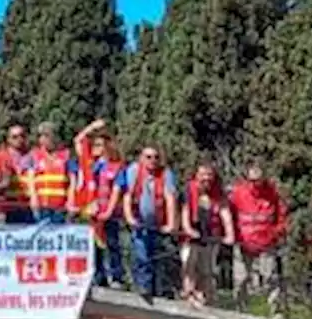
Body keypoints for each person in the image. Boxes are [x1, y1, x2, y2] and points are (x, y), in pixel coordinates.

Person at [229, 161, 290, 316]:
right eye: (252, 180)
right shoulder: (238, 193)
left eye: (259, 180)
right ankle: (240, 309)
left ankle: (276, 311)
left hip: (266, 243)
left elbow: (281, 216)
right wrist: (233, 235)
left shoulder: (272, 193)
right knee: (240, 279)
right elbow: (229, 214)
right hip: (243, 242)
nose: (255, 184)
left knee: (270, 277)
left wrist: (275, 233)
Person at [120, 147, 178, 300]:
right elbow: (128, 195)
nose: (152, 160)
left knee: (160, 257)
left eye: (156, 157)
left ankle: (161, 290)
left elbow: (170, 198)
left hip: (159, 223)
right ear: (141, 158)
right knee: (141, 255)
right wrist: (130, 218)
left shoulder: (166, 174)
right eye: (148, 157)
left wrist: (171, 224)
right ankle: (143, 287)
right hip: (140, 222)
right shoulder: (134, 170)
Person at [75, 121, 127, 288]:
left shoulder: (116, 166)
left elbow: (116, 191)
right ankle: (99, 276)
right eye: (94, 144)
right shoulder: (90, 164)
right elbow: (78, 140)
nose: (95, 147)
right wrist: (92, 127)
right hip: (92, 212)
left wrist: (109, 211)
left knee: (112, 244)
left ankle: (116, 277)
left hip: (109, 213)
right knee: (94, 246)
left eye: (99, 144)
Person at [180, 164, 235, 307]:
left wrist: (229, 234)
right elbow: (185, 211)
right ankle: (189, 295)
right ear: (196, 175)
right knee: (189, 266)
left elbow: (225, 213)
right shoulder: (189, 190)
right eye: (203, 174)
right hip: (191, 238)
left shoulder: (218, 193)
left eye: (209, 174)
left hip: (210, 238)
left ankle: (207, 298)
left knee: (207, 270)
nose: (206, 178)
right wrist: (188, 229)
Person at [26, 122, 77, 224]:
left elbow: (73, 180)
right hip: (42, 205)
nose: (44, 139)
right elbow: (31, 179)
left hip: (60, 206)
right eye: (41, 136)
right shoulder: (34, 155)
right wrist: (33, 198)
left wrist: (71, 200)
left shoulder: (66, 155)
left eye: (47, 135)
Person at [0, 123, 35, 224]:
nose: (19, 139)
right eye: (14, 137)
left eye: (22, 136)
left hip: (28, 206)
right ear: (8, 140)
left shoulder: (31, 156)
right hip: (9, 207)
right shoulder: (2, 157)